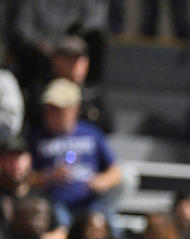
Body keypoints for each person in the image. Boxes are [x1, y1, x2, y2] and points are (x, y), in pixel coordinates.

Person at [26, 79, 123, 227]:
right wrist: (48, 177)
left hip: (91, 202)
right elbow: (26, 179)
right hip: (55, 204)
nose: (52, 114)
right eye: (49, 108)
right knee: (59, 221)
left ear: (74, 109)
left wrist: (101, 181)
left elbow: (115, 171)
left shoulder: (91, 133)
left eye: (59, 109)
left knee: (106, 225)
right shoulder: (36, 138)